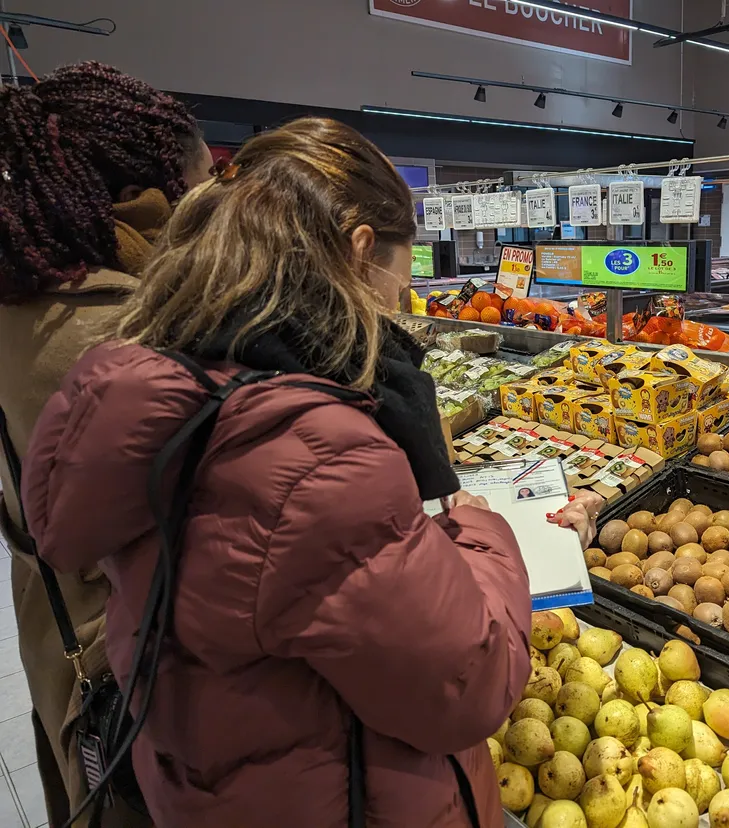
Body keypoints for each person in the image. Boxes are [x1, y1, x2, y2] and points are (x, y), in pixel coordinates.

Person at [20, 118, 597, 828]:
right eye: (401, 271)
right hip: (343, 796)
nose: (400, 301)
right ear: (359, 252)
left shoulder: (171, 378)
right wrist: (471, 522)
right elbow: (469, 684)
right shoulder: (316, 452)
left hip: (226, 781)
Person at [0, 61, 212, 828]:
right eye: (193, 195)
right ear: (143, 201)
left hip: (56, 628)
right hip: (131, 658)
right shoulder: (124, 335)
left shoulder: (24, 296)